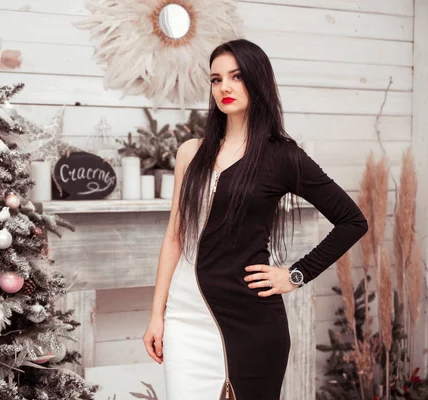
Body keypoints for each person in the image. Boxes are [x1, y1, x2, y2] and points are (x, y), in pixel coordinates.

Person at [142, 39, 368, 400]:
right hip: (185, 318)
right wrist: (157, 314)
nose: (225, 87)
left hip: (253, 322)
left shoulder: (283, 157)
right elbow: (174, 237)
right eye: (216, 79)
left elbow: (352, 221)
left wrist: (296, 275)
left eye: (236, 76)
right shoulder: (191, 152)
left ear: (258, 80)